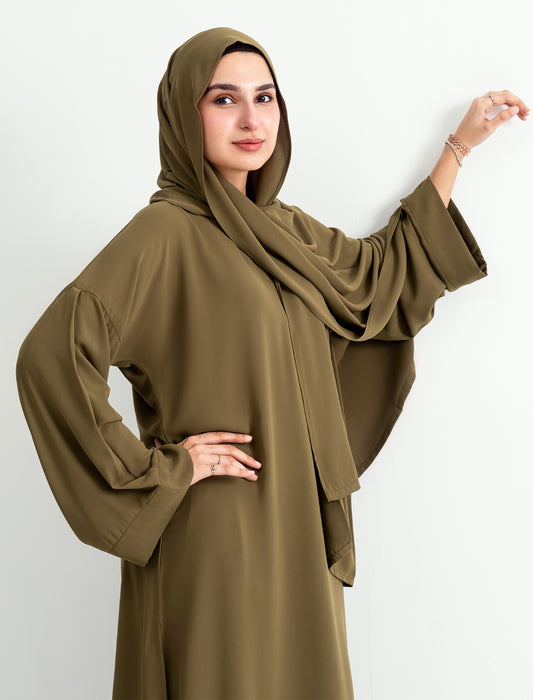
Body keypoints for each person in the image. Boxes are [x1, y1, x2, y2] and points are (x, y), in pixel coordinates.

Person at [15, 26, 528, 700]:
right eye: (224, 99)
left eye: (265, 98)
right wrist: (162, 468)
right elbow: (48, 358)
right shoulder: (162, 235)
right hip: (214, 533)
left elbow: (376, 279)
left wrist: (457, 149)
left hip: (297, 527)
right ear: (184, 113)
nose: (251, 120)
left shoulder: (282, 230)